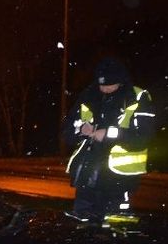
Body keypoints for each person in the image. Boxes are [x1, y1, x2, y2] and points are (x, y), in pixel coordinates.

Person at [63, 57, 156, 222]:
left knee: (116, 227)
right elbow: (67, 131)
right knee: (81, 229)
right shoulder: (88, 95)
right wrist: (81, 130)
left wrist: (108, 134)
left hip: (119, 180)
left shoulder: (137, 97)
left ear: (121, 81)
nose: (105, 89)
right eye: (101, 85)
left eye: (109, 85)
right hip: (87, 177)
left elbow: (143, 137)